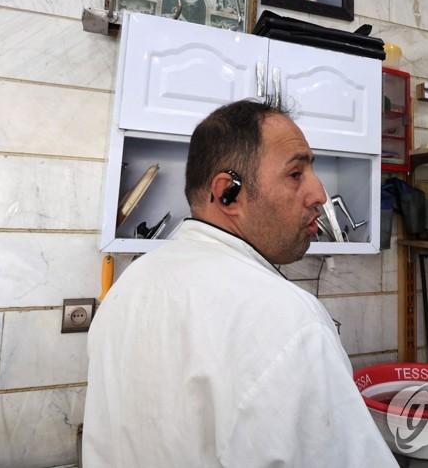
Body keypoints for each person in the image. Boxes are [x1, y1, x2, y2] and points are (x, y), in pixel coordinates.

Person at [84, 100, 398, 468]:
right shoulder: (289, 321)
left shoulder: (128, 286)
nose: (319, 194)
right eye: (296, 174)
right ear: (227, 193)